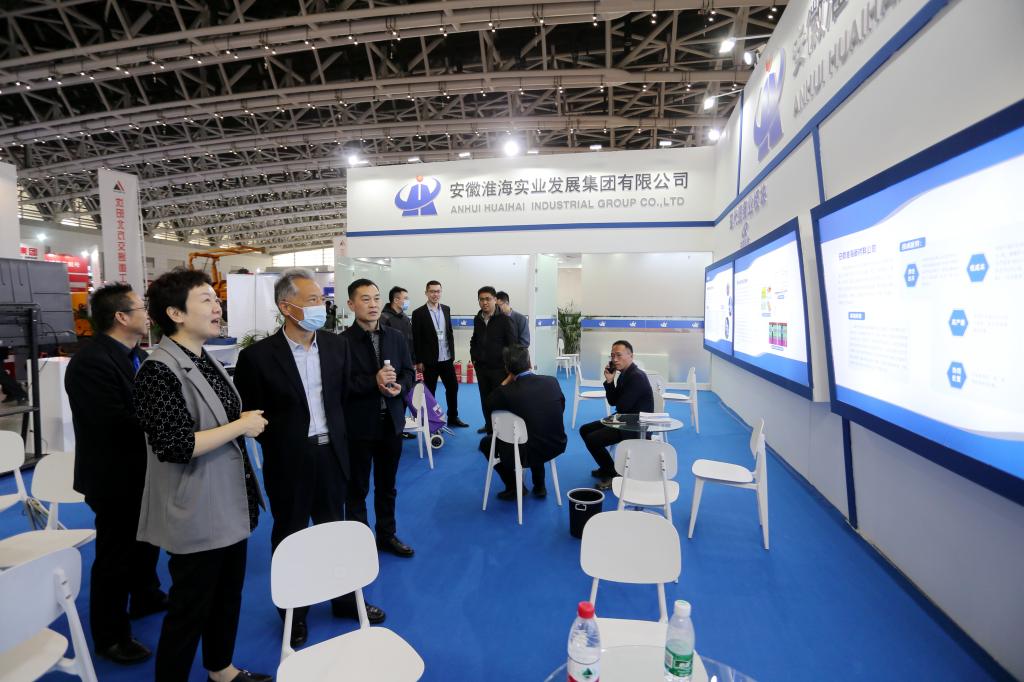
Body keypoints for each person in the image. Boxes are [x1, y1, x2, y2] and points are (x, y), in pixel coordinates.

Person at [233, 269, 386, 650]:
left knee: (336, 531)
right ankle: (294, 613)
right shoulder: (257, 357)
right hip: (289, 460)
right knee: (291, 535)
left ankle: (344, 600)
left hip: (333, 454)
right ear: (287, 307)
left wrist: (377, 387)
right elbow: (251, 414)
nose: (322, 306)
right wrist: (282, 443)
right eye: (313, 300)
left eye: (322, 299)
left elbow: (344, 393)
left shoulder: (336, 346)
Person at [133, 269, 271, 682]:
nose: (217, 307)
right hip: (196, 506)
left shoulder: (201, 356)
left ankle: (221, 668)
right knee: (189, 607)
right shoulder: (158, 370)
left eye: (217, 299)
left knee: (227, 595)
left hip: (228, 501)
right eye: (206, 300)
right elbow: (174, 445)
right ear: (175, 313)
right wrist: (241, 425)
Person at [65, 284, 166, 665]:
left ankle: (146, 596)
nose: (148, 314)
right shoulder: (91, 362)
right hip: (113, 477)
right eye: (141, 308)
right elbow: (114, 422)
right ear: (121, 317)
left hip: (144, 470)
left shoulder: (136, 355)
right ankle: (110, 635)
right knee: (116, 555)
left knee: (147, 540)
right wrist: (170, 424)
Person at [342, 279, 416, 558]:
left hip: (391, 424)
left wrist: (401, 387)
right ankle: (359, 543)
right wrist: (373, 381)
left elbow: (408, 372)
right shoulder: (341, 343)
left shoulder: (395, 337)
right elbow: (340, 386)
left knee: (387, 487)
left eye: (375, 298)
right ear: (351, 305)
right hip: (359, 427)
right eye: (365, 299)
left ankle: (386, 535)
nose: (372, 305)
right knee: (357, 489)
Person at [478, 345, 566, 499]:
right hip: (556, 444)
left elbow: (488, 404)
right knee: (534, 427)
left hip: (526, 452)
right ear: (530, 363)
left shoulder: (506, 392)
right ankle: (540, 485)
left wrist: (507, 379)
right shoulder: (551, 381)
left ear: (507, 368)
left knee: (486, 443)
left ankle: (514, 487)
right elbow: (561, 407)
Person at [579, 340, 654, 490]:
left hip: (635, 426)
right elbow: (613, 401)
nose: (614, 359)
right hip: (623, 419)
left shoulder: (636, 376)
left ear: (631, 355)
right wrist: (609, 381)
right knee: (585, 430)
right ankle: (606, 468)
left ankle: (612, 473)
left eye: (619, 355)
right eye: (612, 356)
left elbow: (622, 406)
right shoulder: (624, 374)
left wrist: (618, 406)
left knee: (593, 439)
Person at [411, 280, 469, 427]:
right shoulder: (418, 313)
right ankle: (431, 421)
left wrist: (452, 354)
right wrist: (418, 360)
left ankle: (453, 417)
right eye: (432, 291)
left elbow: (449, 333)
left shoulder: (446, 309)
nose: (435, 294)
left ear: (441, 292)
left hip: (446, 359)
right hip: (429, 360)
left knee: (453, 387)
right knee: (430, 391)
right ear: (426, 293)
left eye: (438, 291)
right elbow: (416, 339)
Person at [470, 286, 517, 434]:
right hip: (482, 368)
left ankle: (502, 432)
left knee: (500, 401)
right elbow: (474, 340)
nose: (484, 302)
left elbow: (512, 345)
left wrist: (510, 370)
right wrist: (474, 358)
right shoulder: (477, 319)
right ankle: (489, 427)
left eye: (488, 299)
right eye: (481, 299)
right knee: (485, 400)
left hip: (499, 370)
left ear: (495, 300)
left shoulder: (505, 320)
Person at [381, 285, 414, 353]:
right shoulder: (384, 317)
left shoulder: (405, 317)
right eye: (405, 298)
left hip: (408, 356)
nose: (408, 301)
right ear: (396, 300)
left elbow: (410, 339)